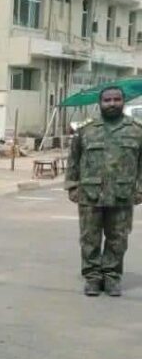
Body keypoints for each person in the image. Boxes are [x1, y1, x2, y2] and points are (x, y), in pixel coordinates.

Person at [66, 85, 142, 296]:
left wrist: (140, 189)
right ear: (100, 103)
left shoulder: (137, 130)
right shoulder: (86, 129)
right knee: (89, 239)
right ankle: (92, 277)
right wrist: (72, 186)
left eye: (116, 100)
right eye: (107, 100)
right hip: (90, 194)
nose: (112, 104)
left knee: (118, 238)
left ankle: (111, 277)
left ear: (123, 102)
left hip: (122, 194)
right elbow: (73, 159)